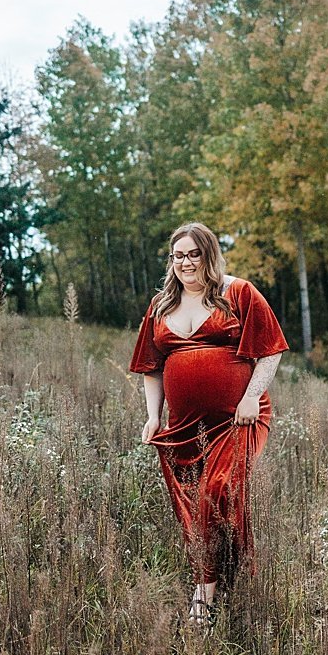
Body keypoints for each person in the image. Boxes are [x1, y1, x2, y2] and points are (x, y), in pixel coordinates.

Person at [130, 222, 288, 628]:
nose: (184, 262)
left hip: (236, 420)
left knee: (217, 490)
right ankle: (225, 572)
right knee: (191, 507)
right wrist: (152, 416)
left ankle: (206, 593)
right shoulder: (162, 305)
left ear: (208, 255)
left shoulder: (237, 293)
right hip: (183, 428)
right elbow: (152, 367)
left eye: (192, 254)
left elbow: (270, 350)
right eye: (177, 256)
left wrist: (252, 395)